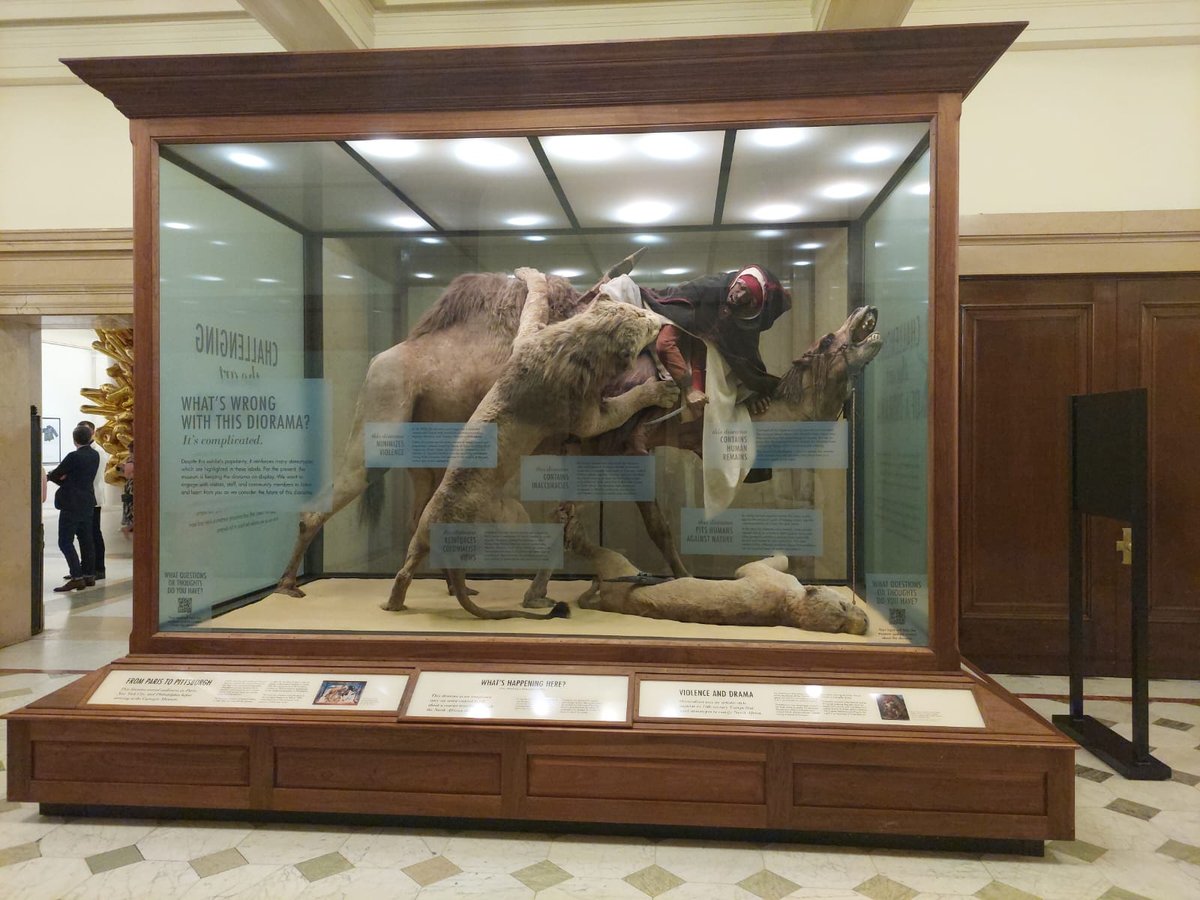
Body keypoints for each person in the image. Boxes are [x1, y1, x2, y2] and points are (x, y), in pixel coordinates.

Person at [47, 424, 100, 592]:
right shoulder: (95, 455)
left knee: (65, 541)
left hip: (71, 503)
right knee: (86, 539)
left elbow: (55, 474)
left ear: (74, 439)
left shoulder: (73, 456)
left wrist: (63, 481)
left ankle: (76, 576)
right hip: (87, 502)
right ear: (90, 438)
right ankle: (89, 575)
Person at [77, 420, 107, 580]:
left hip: (93, 497)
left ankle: (99, 568)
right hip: (84, 497)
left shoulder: (98, 452)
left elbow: (92, 475)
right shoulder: (84, 450)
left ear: (93, 433)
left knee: (94, 533)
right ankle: (86, 567)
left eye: (86, 431)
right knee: (84, 534)